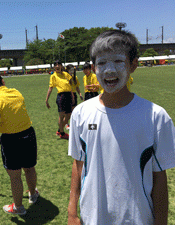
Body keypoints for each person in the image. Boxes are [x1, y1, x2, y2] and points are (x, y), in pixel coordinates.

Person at [68, 30, 175, 225]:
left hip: (137, 219)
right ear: (93, 68)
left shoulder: (156, 116)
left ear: (133, 65)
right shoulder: (80, 114)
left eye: (118, 62)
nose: (109, 71)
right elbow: (78, 165)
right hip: (92, 218)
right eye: (101, 63)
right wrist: (72, 213)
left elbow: (160, 179)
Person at [0, 71, 39, 215]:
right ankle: (32, 194)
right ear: (3, 81)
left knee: (15, 176)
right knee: (29, 168)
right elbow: (9, 104)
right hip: (28, 134)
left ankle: (18, 207)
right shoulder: (16, 92)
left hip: (11, 140)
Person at [45, 60, 74, 139]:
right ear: (54, 67)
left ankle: (59, 130)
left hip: (68, 95)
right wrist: (47, 100)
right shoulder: (53, 76)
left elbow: (70, 85)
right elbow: (50, 88)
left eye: (58, 64)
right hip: (61, 96)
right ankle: (62, 133)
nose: (57, 66)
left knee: (68, 115)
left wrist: (72, 96)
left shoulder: (66, 74)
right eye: (55, 65)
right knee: (61, 116)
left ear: (61, 66)